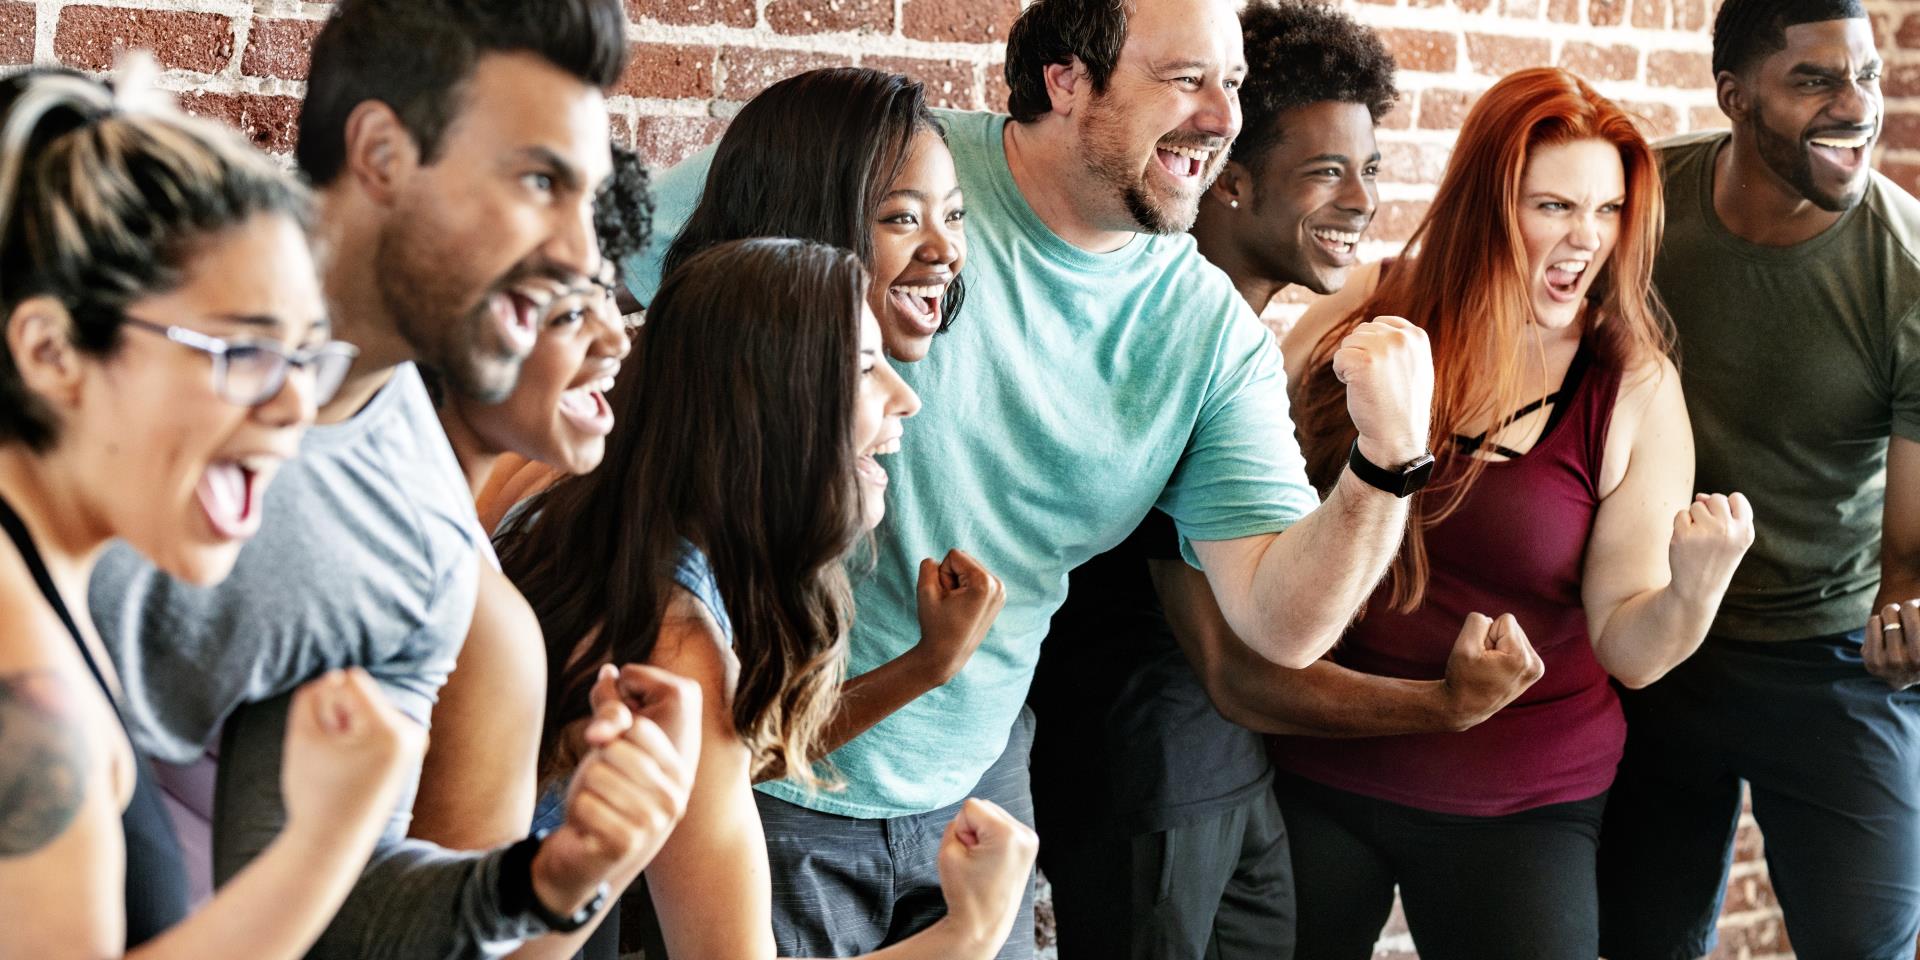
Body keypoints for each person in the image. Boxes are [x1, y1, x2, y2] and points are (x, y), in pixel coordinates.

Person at [623, 0, 1438, 952]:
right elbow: (609, 271)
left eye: (1234, 84)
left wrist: (1386, 465)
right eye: (1184, 79)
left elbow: (1280, 623)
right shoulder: (892, 167)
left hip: (975, 775)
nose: (1222, 117)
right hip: (765, 776)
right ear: (1067, 80)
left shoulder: (1207, 333)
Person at [87, 3, 700, 958]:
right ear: (379, 152)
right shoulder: (93, 266)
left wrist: (542, 878)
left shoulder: (420, 541)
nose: (583, 255)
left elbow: (313, 895)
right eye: (539, 180)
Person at [1239, 67, 1754, 959]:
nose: (1584, 239)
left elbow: (1630, 649)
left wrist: (1696, 589)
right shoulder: (1371, 303)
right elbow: (1253, 502)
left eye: (1608, 211)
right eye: (1553, 206)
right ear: (1487, 202)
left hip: (1521, 795)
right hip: (1320, 754)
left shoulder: (1630, 384)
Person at [496, 237, 1039, 960]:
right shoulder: (680, 649)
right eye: (865, 368)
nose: (906, 396)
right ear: (769, 403)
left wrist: (929, 663)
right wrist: (972, 928)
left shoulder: (565, 484)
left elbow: (726, 758)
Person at [0, 66, 419, 957]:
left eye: (306, 356)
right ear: (52, 351)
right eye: (242, 351)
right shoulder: (28, 693)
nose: (294, 406)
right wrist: (326, 837)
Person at [1024, 3, 1400, 956]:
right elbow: (1239, 669)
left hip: (1234, 777)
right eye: (1325, 171)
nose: (1360, 201)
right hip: (1145, 779)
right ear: (1229, 186)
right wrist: (1448, 706)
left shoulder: (1245, 337)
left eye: (1368, 170)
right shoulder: (1164, 343)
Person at [1594, 1, 1920, 956]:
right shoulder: (1648, 207)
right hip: (1658, 643)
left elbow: (1907, 549)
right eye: (1815, 79)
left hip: (1833, 668)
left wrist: (1908, 606)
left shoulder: (1905, 271)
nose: (1855, 104)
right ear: (1734, 97)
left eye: (1865, 75)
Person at [410, 146, 651, 960]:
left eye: (609, 297)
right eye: (571, 305)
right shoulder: (480, 618)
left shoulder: (441, 506)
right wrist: (607, 858)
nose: (616, 340)